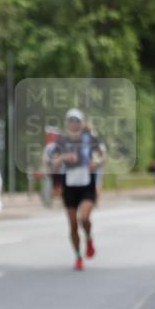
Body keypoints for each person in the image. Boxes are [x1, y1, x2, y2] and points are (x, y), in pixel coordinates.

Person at [51, 108, 105, 270]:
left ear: (81, 123)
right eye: (71, 121)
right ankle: (78, 256)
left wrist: (96, 163)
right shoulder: (61, 141)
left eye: (77, 121)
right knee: (73, 224)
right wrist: (63, 157)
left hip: (86, 184)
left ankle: (88, 238)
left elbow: (103, 157)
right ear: (67, 123)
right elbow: (53, 163)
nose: (74, 124)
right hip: (69, 185)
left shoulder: (90, 139)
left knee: (84, 218)